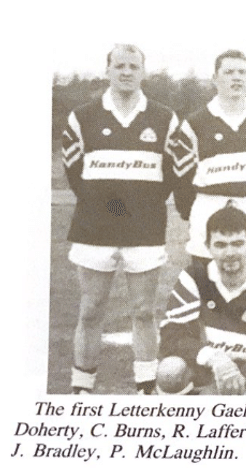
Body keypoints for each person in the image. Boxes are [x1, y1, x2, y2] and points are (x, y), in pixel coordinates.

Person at [61, 44, 179, 394]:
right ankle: (82, 387)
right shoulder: (82, 116)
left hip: (145, 227)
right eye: (119, 65)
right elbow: (75, 175)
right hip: (94, 227)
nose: (126, 72)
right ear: (108, 70)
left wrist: (138, 207)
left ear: (143, 72)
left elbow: (171, 174)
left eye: (133, 66)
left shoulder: (164, 118)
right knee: (91, 310)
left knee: (143, 311)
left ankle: (146, 387)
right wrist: (112, 208)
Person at [156, 206, 246, 395]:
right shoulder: (194, 277)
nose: (229, 252)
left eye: (237, 243)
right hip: (207, 367)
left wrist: (237, 376)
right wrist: (214, 358)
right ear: (207, 246)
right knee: (169, 371)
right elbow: (172, 337)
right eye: (221, 245)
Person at [168, 49, 246, 266]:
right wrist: (194, 211)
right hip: (207, 213)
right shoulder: (195, 124)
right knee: (207, 289)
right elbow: (182, 180)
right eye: (228, 72)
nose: (236, 77)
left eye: (242, 72)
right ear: (215, 78)